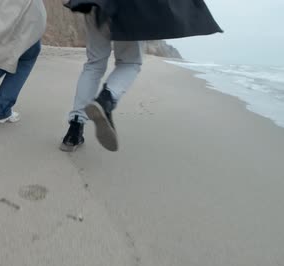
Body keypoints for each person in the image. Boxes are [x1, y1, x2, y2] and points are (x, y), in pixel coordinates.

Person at [60, 0, 222, 152]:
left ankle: (74, 130)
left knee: (94, 65)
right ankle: (106, 99)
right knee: (130, 63)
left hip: (95, 4)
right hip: (128, 8)